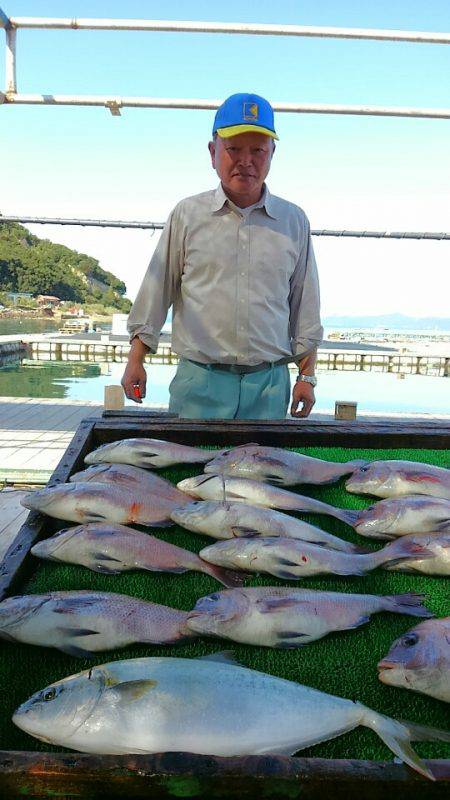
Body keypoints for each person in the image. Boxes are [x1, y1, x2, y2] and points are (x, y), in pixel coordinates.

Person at [122, 92, 323, 419]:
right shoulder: (187, 215)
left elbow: (305, 305)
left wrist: (307, 376)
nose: (246, 161)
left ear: (272, 154)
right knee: (190, 455)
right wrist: (136, 360)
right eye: (233, 149)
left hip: (269, 386)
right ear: (213, 152)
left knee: (266, 455)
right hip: (199, 383)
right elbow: (157, 291)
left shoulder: (294, 221)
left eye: (258, 150)